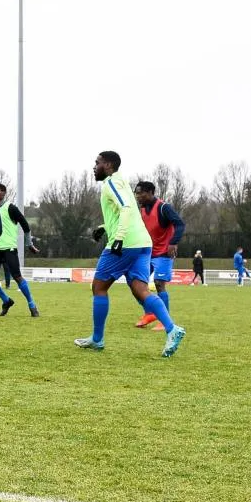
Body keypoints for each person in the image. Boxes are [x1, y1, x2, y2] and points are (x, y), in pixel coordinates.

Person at [74, 151, 185, 357]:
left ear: (107, 165)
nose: (94, 166)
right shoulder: (123, 181)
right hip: (143, 243)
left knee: (98, 287)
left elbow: (125, 208)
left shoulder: (111, 184)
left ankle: (97, 340)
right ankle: (172, 329)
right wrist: (105, 226)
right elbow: (127, 212)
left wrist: (117, 237)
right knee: (141, 290)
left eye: (97, 163)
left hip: (125, 243)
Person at [132, 181, 186, 330]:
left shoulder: (164, 207)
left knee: (159, 283)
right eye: (136, 193)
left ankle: (164, 320)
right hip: (147, 252)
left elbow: (180, 224)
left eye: (140, 192)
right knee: (137, 283)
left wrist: (173, 243)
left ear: (150, 193)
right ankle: (149, 313)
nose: (137, 196)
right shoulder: (141, 209)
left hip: (163, 253)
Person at [0, 183, 40, 317]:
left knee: (17, 277)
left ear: (3, 193)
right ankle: (6, 300)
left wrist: (29, 244)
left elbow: (25, 226)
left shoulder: (10, 208)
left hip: (9, 248)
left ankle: (31, 304)